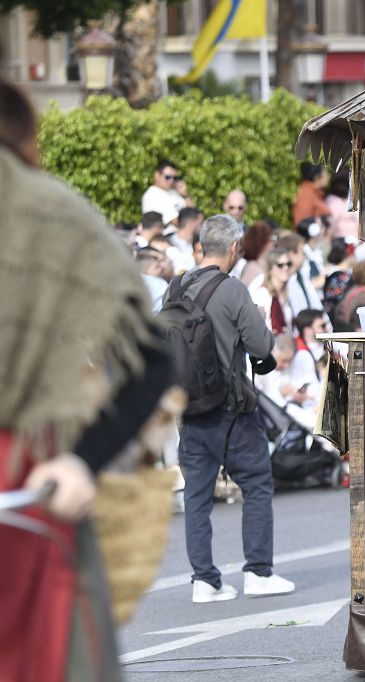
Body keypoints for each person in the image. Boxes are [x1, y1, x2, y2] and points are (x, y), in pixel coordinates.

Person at [1, 76, 173, 681]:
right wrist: (81, 460)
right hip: (35, 485)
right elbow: (153, 358)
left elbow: (151, 357)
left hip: (27, 490)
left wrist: (80, 461)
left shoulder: (49, 216)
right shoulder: (55, 212)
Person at [171, 214, 294, 602]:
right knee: (257, 483)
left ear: (201, 245)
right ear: (235, 248)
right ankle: (258, 572)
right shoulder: (233, 290)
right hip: (230, 407)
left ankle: (204, 580)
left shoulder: (176, 289)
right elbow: (260, 347)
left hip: (188, 407)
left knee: (196, 495)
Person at [249, 245, 296, 335]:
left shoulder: (284, 293)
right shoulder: (263, 294)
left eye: (288, 264)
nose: (286, 268)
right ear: (270, 269)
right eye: (280, 265)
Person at [142, 159, 190, 226]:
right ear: (157, 175)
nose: (171, 181)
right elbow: (177, 222)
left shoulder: (173, 192)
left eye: (174, 178)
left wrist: (185, 194)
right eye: (168, 177)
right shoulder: (153, 195)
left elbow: (194, 214)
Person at [232, 218, 276, 286]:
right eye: (272, 238)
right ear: (262, 242)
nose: (274, 243)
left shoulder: (255, 266)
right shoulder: (254, 269)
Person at [292, 161, 330, 227]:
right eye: (326, 174)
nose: (329, 177)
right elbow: (301, 221)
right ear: (318, 177)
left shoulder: (316, 193)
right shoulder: (306, 194)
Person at [165, 206, 202, 273]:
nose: (202, 227)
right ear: (192, 223)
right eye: (200, 223)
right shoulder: (167, 243)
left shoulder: (198, 245)